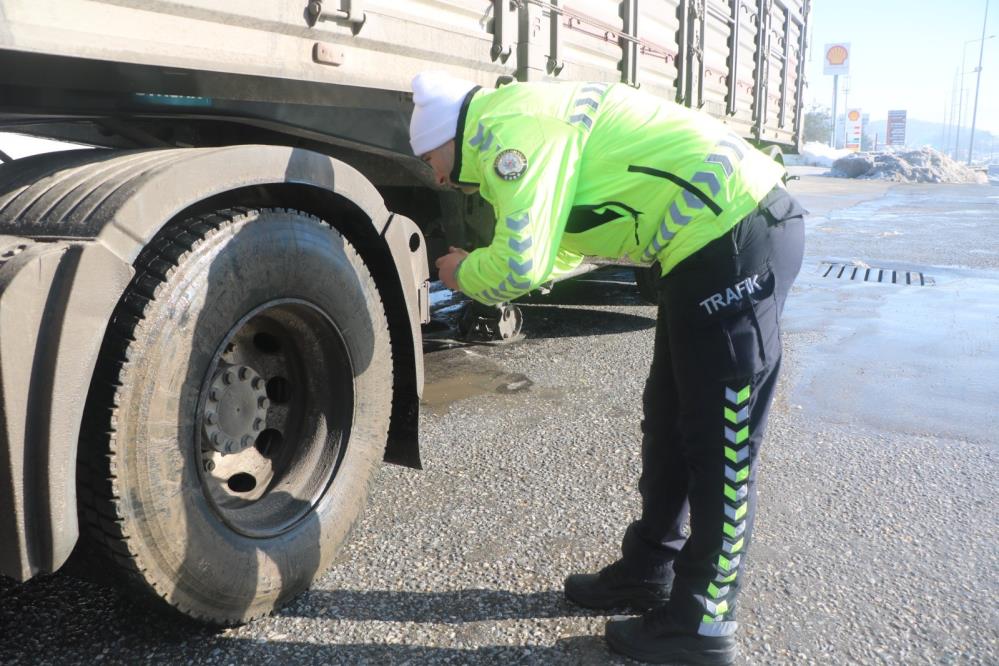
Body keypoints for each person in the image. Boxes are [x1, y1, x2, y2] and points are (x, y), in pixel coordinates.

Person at [409, 70, 805, 665]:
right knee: (669, 417)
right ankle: (651, 569)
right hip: (700, 246)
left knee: (722, 436)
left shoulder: (510, 134)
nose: (435, 176)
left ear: (449, 136)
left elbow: (520, 263)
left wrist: (465, 273)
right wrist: (491, 264)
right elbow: (560, 245)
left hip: (734, 233)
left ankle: (704, 623)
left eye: (430, 159)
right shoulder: (513, 121)